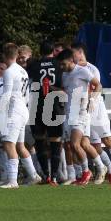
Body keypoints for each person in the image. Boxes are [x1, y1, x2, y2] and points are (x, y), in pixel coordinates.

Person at [72, 42, 111, 184]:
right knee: (94, 146)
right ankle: (109, 172)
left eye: (72, 53)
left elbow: (97, 87)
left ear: (80, 53)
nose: (71, 56)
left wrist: (92, 101)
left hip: (96, 109)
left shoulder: (91, 69)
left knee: (107, 140)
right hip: (82, 112)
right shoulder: (73, 69)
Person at [57, 49, 106, 186]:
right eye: (60, 65)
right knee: (80, 145)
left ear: (71, 61)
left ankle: (86, 172)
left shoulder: (82, 71)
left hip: (81, 113)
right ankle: (99, 167)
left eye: (63, 64)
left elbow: (98, 85)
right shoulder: (65, 74)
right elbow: (66, 91)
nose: (62, 67)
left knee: (75, 144)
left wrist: (93, 100)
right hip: (68, 112)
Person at [0, 43, 42, 189]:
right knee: (20, 145)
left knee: (8, 144)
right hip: (23, 109)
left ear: (4, 56)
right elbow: (27, 95)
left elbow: (6, 95)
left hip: (14, 111)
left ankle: (12, 181)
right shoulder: (23, 71)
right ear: (16, 55)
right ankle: (34, 175)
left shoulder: (9, 72)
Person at [27, 40, 64, 186]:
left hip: (38, 105)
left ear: (39, 51)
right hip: (55, 105)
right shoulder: (58, 64)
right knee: (55, 142)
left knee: (40, 141)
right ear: (53, 50)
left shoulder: (33, 65)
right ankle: (54, 177)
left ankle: (46, 175)